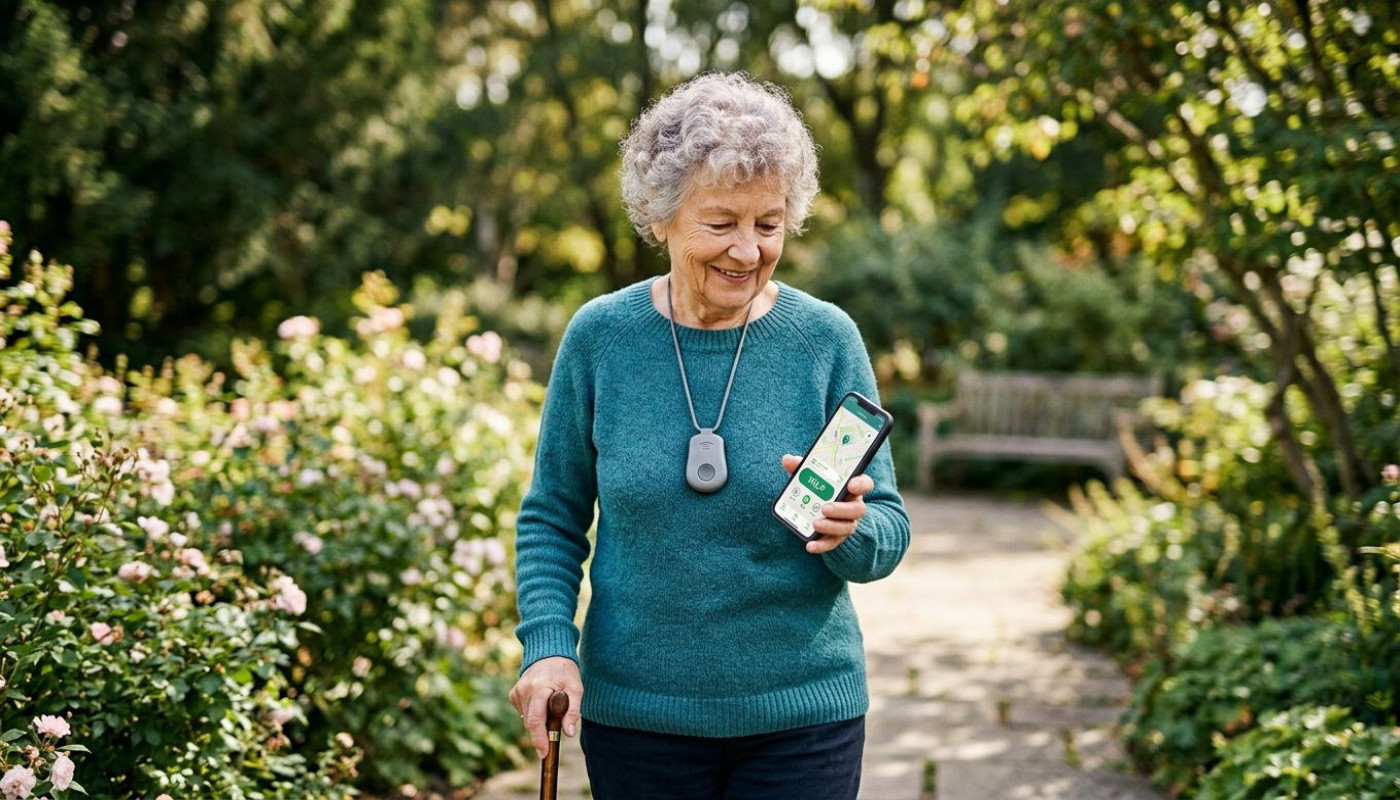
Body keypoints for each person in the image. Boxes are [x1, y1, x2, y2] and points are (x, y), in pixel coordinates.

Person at [509, 72, 911, 799]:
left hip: (802, 717)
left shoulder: (825, 340)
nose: (748, 251)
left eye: (770, 224)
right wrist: (547, 648)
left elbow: (888, 529)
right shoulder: (601, 338)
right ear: (661, 217)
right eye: (721, 224)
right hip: (641, 721)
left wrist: (851, 530)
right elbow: (553, 515)